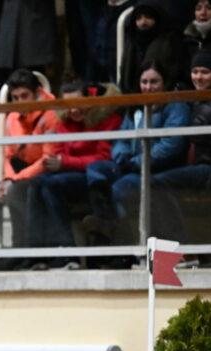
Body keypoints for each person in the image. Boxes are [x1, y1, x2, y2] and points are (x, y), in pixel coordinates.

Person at [82, 61, 192, 248]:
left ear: (165, 83)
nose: (148, 87)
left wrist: (136, 162)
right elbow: (122, 139)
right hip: (129, 165)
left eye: (154, 82)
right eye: (144, 82)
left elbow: (169, 146)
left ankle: (121, 243)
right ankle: (105, 220)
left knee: (117, 189)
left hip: (154, 169)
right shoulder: (135, 108)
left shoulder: (175, 107)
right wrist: (122, 156)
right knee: (95, 169)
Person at [148, 51, 211, 241]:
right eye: (194, 71)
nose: (198, 77)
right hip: (207, 169)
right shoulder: (203, 101)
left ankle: (179, 246)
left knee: (155, 183)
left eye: (205, 72)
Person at [23, 81, 123, 269]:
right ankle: (35, 251)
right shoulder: (64, 123)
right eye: (68, 106)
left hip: (96, 178)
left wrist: (65, 162)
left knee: (50, 186)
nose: (74, 110)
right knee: (37, 183)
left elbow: (103, 158)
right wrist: (56, 162)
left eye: (78, 104)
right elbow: (60, 150)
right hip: (69, 174)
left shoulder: (107, 118)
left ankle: (67, 250)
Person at [0, 69, 57, 271]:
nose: (20, 102)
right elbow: (7, 154)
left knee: (15, 191)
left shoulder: (52, 113)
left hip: (45, 172)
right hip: (19, 172)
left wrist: (15, 180)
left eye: (24, 96)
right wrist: (8, 178)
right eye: (15, 97)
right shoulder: (11, 118)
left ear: (37, 92)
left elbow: (47, 158)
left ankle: (20, 252)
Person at [118, 1, 186, 94]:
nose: (143, 22)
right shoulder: (132, 42)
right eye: (139, 18)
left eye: (148, 17)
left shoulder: (170, 41)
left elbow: (176, 71)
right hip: (133, 99)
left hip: (163, 99)